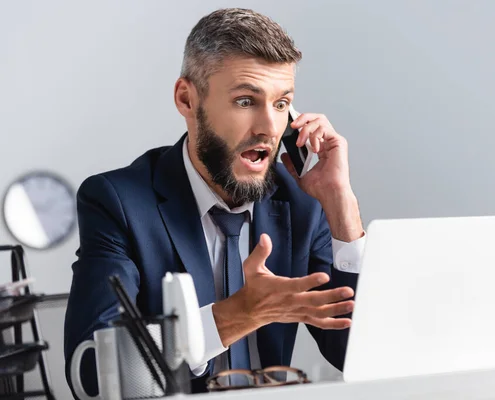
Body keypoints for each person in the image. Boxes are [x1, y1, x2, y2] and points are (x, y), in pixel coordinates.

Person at [64, 7, 366, 397]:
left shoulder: (303, 202)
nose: (269, 128)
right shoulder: (118, 203)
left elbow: (357, 355)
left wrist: (341, 205)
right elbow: (92, 376)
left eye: (280, 104)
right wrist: (235, 317)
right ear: (187, 99)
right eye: (245, 101)